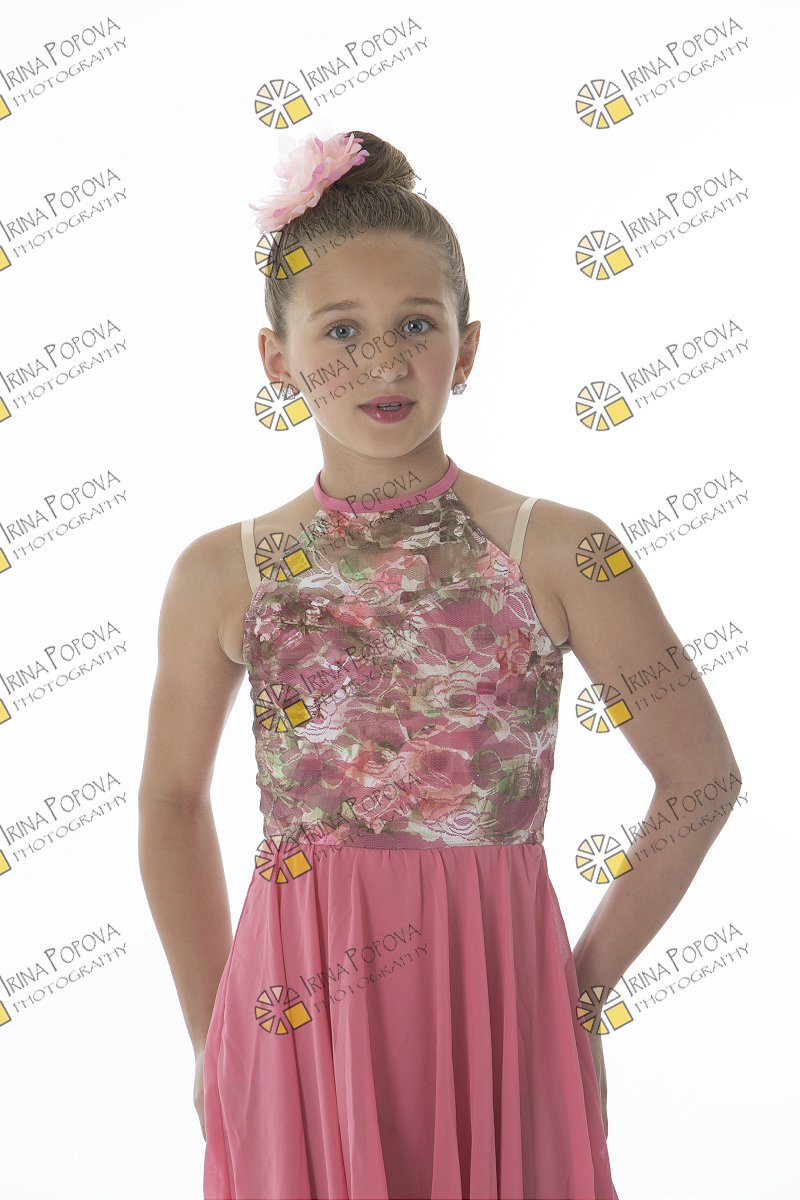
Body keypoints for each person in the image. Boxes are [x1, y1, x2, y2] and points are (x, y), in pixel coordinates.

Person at [137, 130, 741, 1200]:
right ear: (277, 360)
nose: (382, 362)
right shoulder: (224, 573)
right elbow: (173, 803)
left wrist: (577, 995)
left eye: (416, 325)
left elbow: (700, 779)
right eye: (341, 330)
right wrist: (212, 1030)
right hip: (299, 1013)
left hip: (499, 999)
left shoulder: (561, 550)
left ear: (466, 349)